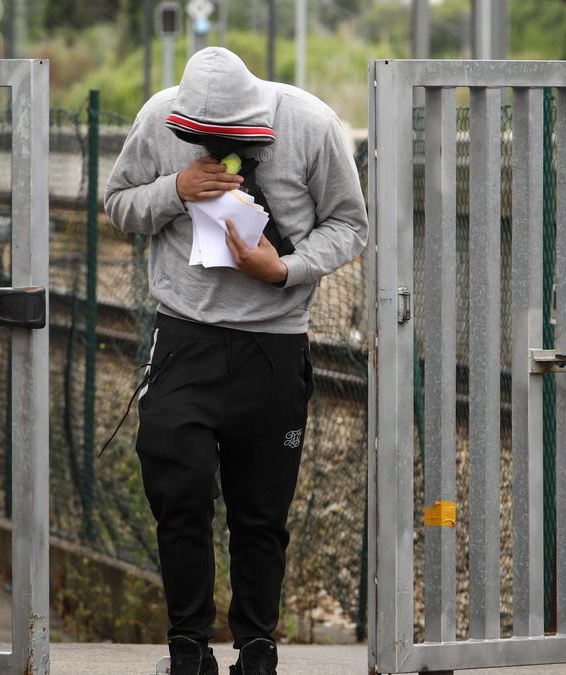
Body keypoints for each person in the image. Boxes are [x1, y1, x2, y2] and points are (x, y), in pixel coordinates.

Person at [104, 47, 368, 675]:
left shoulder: (312, 123)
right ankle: (188, 645)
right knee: (179, 488)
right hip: (183, 338)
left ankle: (257, 646)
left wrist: (286, 268)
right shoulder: (158, 117)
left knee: (260, 510)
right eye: (201, 140)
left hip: (272, 345)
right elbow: (117, 203)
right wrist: (175, 188)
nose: (215, 145)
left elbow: (350, 225)